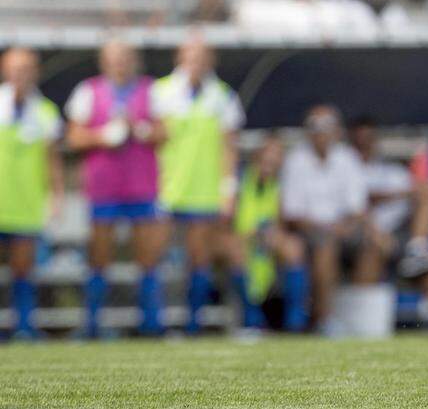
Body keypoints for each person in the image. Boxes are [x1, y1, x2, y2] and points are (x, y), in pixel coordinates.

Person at [65, 39, 167, 337]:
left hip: (141, 185)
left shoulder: (151, 90)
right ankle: (93, 324)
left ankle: (151, 324)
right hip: (104, 186)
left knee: (148, 255)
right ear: (104, 61)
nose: (120, 63)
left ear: (134, 60)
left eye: (125, 57)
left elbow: (164, 132)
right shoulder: (88, 91)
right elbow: (73, 138)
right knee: (100, 255)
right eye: (114, 57)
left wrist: (141, 129)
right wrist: (102, 136)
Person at [152, 35, 245, 334]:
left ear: (211, 61)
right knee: (154, 256)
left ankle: (193, 323)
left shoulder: (223, 96)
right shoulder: (161, 92)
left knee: (199, 259)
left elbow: (229, 147)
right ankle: (154, 324)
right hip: (165, 188)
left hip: (204, 190)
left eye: (203, 57)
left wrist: (228, 189)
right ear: (180, 58)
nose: (197, 63)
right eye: (191, 56)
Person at [348, 116, 428, 331]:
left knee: (424, 262)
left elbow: (418, 191)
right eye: (360, 139)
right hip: (364, 235)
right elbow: (362, 202)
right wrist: (402, 194)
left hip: (398, 235)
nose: (365, 144)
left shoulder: (390, 171)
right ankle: (364, 322)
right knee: (373, 249)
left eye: (368, 139)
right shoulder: (346, 168)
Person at [279, 105, 387, 334]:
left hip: (344, 228)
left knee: (371, 247)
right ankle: (325, 320)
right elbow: (293, 215)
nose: (321, 132)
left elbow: (357, 208)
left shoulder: (346, 158)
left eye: (326, 126)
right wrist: (330, 228)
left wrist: (349, 227)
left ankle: (358, 320)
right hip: (311, 230)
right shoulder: (296, 161)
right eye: (315, 127)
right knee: (325, 245)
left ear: (337, 130)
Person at [0, 48, 63, 339]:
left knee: (23, 269)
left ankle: (24, 327)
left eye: (27, 69)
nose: (21, 74)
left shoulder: (45, 112)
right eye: (16, 68)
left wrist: (56, 195)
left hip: (25, 203)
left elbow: (52, 161)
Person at [223, 133, 309, 332]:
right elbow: (225, 224)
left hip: (262, 239)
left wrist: (271, 234)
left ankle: (294, 320)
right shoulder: (237, 181)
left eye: (277, 155)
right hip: (237, 237)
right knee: (236, 248)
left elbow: (280, 222)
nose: (271, 160)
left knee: (293, 247)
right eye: (268, 154)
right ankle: (250, 315)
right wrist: (250, 235)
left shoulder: (278, 185)